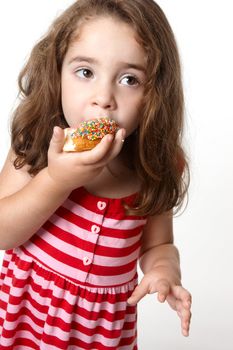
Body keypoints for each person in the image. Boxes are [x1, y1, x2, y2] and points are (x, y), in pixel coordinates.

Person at [0, 0, 192, 348]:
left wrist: (164, 271)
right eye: (86, 72)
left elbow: (160, 245)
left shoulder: (153, 166)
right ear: (56, 71)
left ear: (155, 95)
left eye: (129, 79)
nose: (104, 98)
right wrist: (56, 180)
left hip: (101, 336)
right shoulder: (38, 140)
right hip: (26, 326)